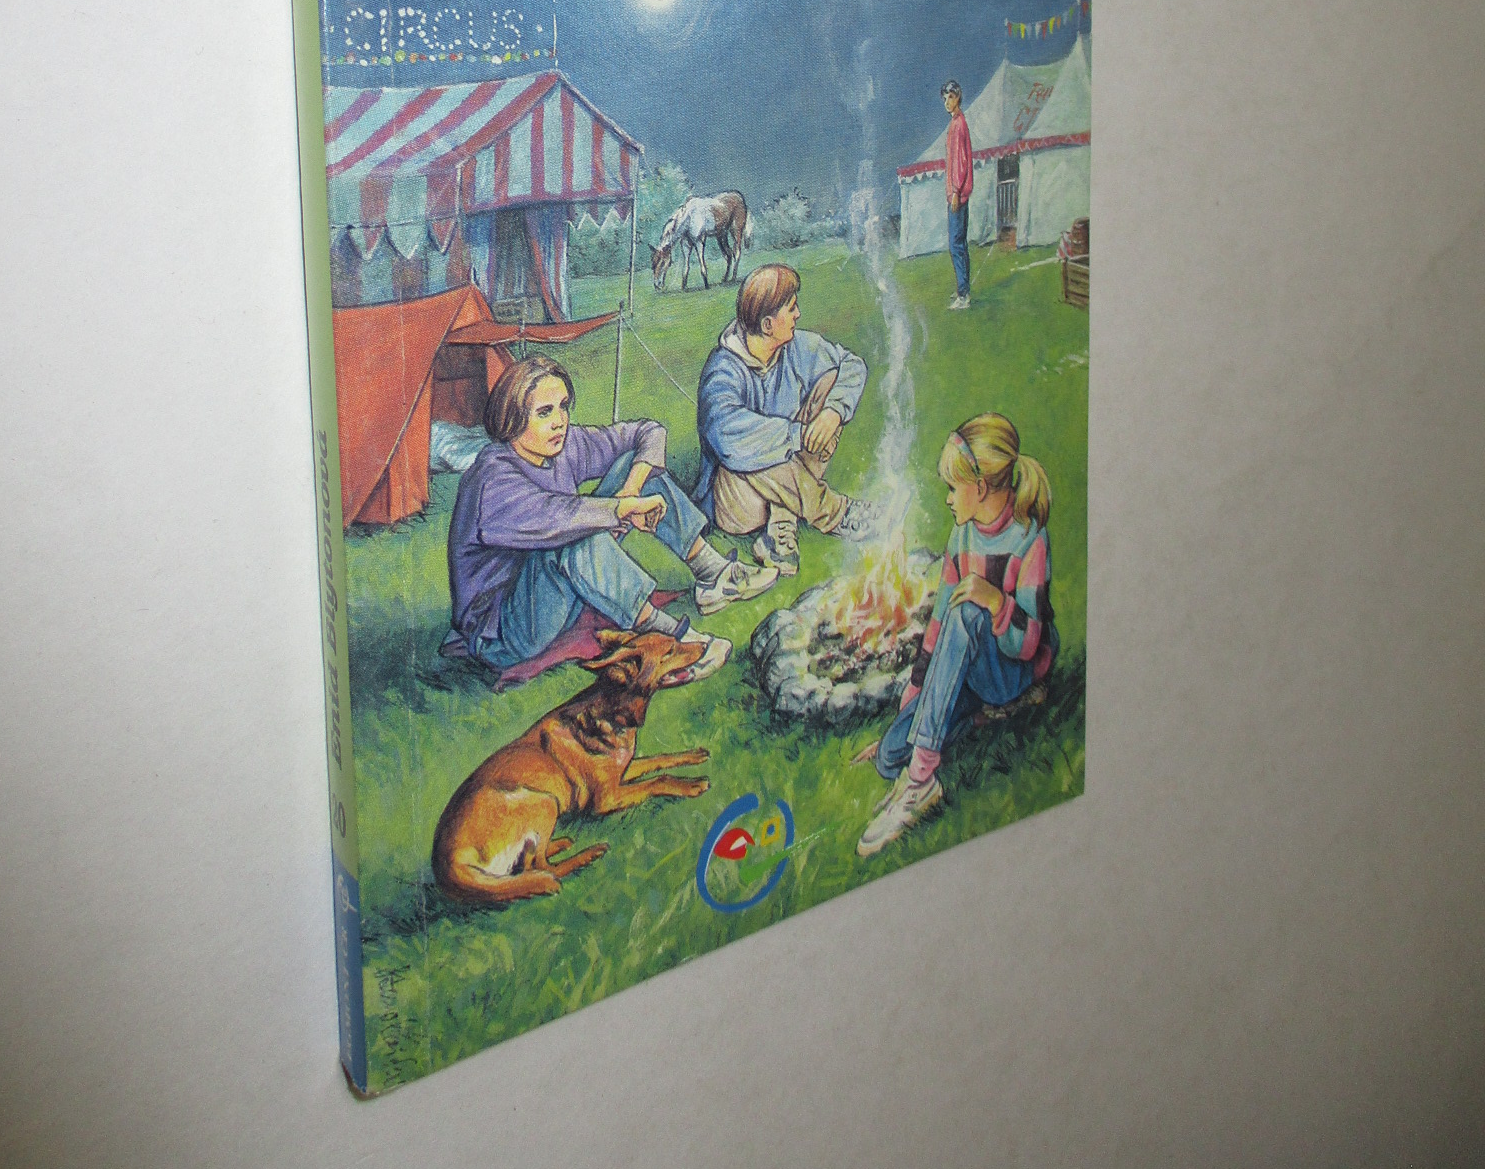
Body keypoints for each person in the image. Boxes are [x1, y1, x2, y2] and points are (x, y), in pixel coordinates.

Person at [441, 356, 775, 680]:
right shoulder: (491, 477)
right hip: (503, 631)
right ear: (511, 417)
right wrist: (621, 509)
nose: (560, 421)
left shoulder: (562, 444)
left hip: (556, 595)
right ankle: (669, 637)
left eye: (563, 406)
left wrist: (631, 488)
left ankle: (712, 573)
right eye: (544, 412)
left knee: (633, 465)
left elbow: (648, 432)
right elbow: (556, 518)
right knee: (574, 535)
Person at [857, 412, 1058, 856]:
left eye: (953, 487)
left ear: (980, 487)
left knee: (966, 613)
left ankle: (922, 782)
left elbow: (1027, 644)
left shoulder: (1029, 540)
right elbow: (936, 627)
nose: (948, 499)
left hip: (1013, 669)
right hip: (971, 671)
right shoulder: (961, 538)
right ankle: (972, 721)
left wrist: (996, 602)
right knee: (890, 756)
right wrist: (912, 703)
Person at [693, 263, 868, 578]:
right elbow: (727, 435)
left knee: (831, 379)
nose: (798, 314)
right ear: (768, 324)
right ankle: (835, 512)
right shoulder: (723, 369)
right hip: (739, 501)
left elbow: (852, 364)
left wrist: (833, 412)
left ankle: (781, 525)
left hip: (784, 476)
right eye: (791, 308)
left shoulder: (795, 347)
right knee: (747, 447)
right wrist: (796, 436)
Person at [942, 79, 974, 309]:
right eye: (945, 98)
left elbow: (960, 163)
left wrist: (955, 191)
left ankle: (964, 294)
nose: (947, 102)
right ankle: (963, 289)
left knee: (956, 244)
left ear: (958, 98)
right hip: (957, 193)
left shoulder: (959, 125)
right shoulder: (956, 123)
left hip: (958, 194)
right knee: (959, 242)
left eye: (950, 97)